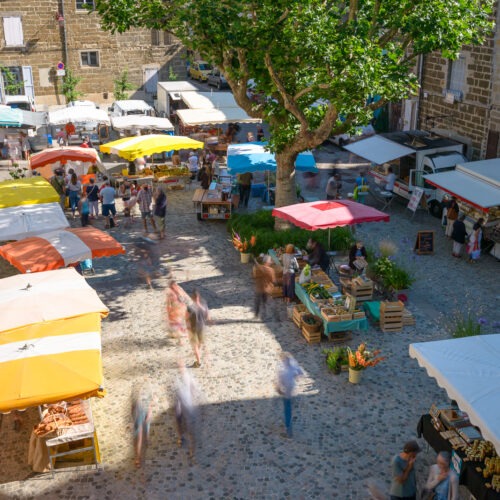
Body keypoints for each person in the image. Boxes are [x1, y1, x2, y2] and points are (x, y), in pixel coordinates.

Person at [175, 361, 200, 459]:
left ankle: (192, 452)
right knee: (179, 423)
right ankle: (180, 436)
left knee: (191, 429)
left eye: (182, 367)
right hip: (179, 407)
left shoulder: (189, 377)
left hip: (188, 407)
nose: (180, 369)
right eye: (179, 367)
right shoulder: (176, 378)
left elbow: (194, 389)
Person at [276, 352, 304, 438]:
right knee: (289, 406)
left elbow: (279, 383)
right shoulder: (293, 363)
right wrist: (296, 377)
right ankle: (288, 423)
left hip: (286, 391)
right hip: (292, 388)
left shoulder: (282, 370)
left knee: (287, 410)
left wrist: (279, 389)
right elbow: (300, 372)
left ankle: (288, 431)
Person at [131, 382, 153, 469]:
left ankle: (147, 440)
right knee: (139, 437)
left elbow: (151, 402)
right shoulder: (135, 396)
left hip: (145, 412)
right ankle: (138, 458)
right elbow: (132, 407)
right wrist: (132, 418)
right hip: (138, 416)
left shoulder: (147, 393)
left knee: (146, 431)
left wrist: (149, 413)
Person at [187, 291, 209, 368]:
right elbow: (207, 316)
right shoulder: (204, 305)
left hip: (194, 328)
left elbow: (187, 318)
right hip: (202, 327)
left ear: (192, 298)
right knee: (199, 343)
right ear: (198, 297)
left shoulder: (190, 308)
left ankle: (198, 362)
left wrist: (187, 327)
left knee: (194, 345)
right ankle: (197, 353)